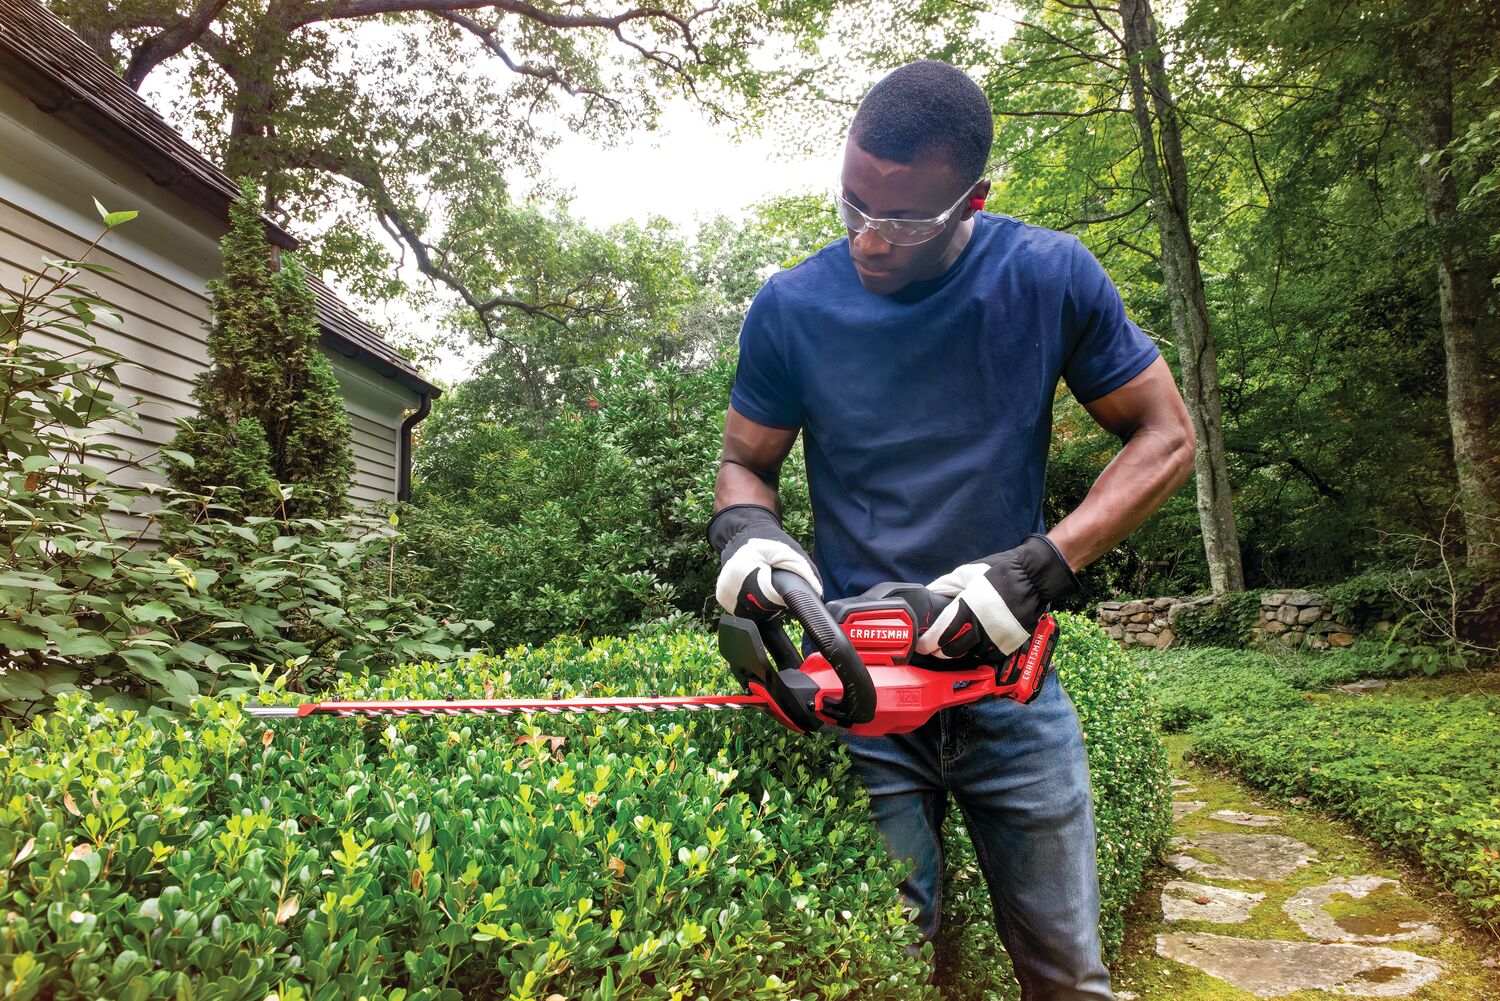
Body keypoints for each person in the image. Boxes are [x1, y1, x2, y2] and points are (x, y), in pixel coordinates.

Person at [707, 60, 1196, 1000]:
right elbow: (746, 465)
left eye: (900, 221)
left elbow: (1166, 436)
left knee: (1068, 973)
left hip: (1012, 692)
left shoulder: (1048, 277)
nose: (868, 241)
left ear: (972, 198)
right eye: (851, 206)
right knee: (888, 969)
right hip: (860, 694)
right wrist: (749, 536)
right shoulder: (791, 307)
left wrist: (1039, 567)